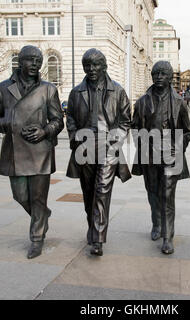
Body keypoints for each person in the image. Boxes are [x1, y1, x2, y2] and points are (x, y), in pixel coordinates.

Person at [0, 45, 64, 259]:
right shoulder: (4, 87)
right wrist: (8, 123)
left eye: (38, 61)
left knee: (38, 198)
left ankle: (37, 238)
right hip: (15, 150)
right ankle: (42, 217)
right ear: (20, 62)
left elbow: (58, 120)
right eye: (30, 60)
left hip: (40, 150)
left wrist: (45, 131)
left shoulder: (48, 89)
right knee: (20, 196)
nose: (35, 64)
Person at [66, 48, 131, 256]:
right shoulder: (76, 92)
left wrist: (116, 140)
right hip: (85, 148)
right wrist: (75, 138)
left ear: (104, 66)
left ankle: (98, 239)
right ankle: (93, 227)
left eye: (95, 64)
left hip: (108, 147)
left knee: (102, 191)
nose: (91, 69)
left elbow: (126, 121)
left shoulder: (118, 91)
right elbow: (71, 120)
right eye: (87, 65)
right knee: (88, 194)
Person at [132, 61, 190, 254]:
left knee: (167, 195)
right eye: (156, 73)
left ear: (170, 77)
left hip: (170, 154)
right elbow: (134, 128)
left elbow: (187, 131)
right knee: (152, 193)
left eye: (163, 74)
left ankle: (168, 236)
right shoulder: (142, 102)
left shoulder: (179, 102)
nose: (159, 77)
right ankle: (156, 223)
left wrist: (178, 148)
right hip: (149, 153)